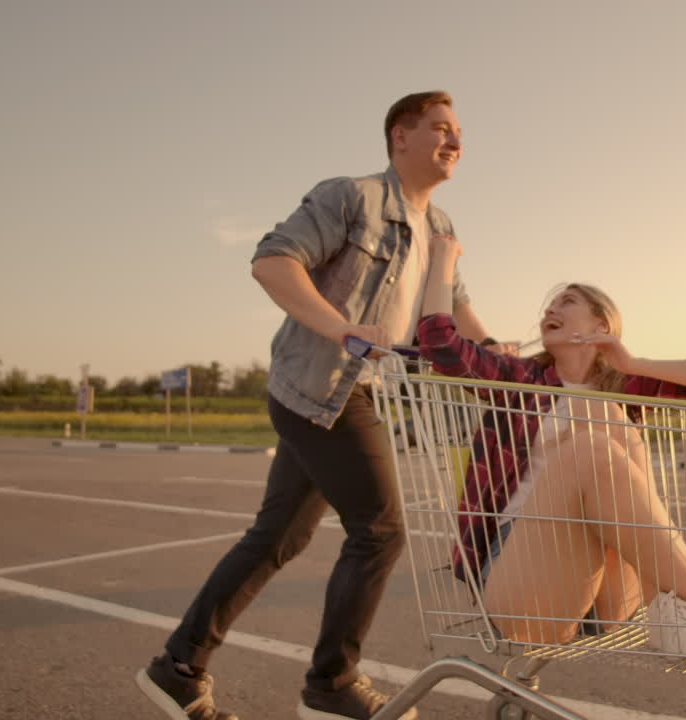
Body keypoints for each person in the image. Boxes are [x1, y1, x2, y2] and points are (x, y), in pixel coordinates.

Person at [137, 91, 505, 720]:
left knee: (277, 538)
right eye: (440, 129)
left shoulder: (440, 229)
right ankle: (331, 686)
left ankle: (179, 666)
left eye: (459, 133)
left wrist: (503, 359)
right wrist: (344, 330)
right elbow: (273, 262)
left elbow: (456, 313)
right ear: (400, 137)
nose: (455, 142)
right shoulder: (351, 197)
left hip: (357, 395)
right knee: (381, 529)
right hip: (316, 384)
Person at [417, 236, 686, 656]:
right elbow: (439, 343)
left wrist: (631, 364)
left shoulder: (624, 387)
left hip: (608, 595)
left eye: (568, 301)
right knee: (596, 435)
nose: (551, 309)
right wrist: (443, 259)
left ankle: (663, 609)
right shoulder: (518, 378)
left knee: (610, 418)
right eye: (549, 305)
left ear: (602, 326)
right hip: (523, 577)